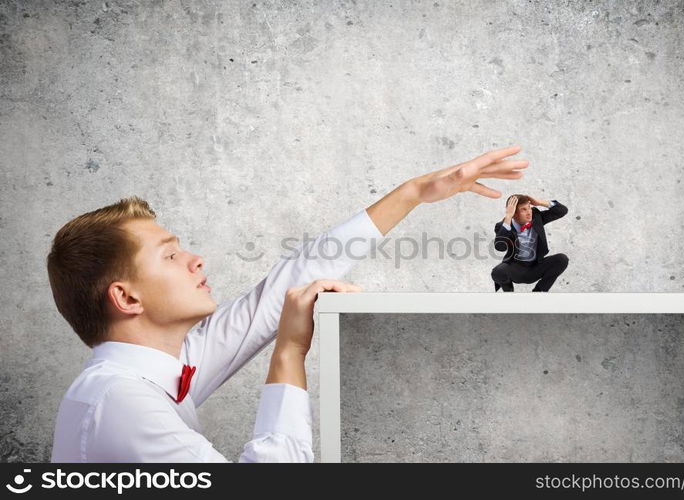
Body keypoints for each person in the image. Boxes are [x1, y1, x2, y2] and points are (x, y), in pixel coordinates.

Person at [47, 145, 529, 462]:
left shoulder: (159, 367)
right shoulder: (121, 402)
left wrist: (415, 194)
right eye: (171, 254)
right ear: (126, 297)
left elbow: (286, 285)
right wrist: (289, 351)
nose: (195, 260)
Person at [491, 194, 569, 292]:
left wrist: (539, 202)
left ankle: (538, 292)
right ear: (514, 213)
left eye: (529, 208)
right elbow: (500, 247)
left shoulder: (536, 217)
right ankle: (509, 295)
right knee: (498, 272)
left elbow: (562, 211)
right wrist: (508, 217)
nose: (529, 213)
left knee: (561, 259)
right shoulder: (503, 226)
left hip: (536, 267)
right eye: (524, 209)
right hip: (516, 268)